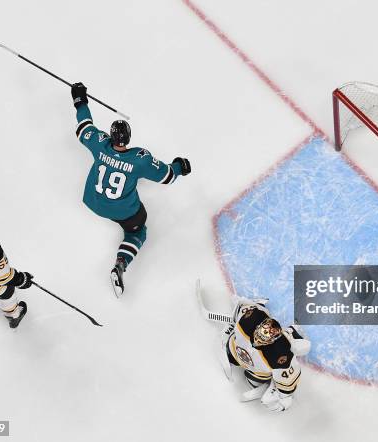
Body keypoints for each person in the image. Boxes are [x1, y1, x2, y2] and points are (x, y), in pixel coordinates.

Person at [70, 82, 191, 297]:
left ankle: (121, 261)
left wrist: (80, 99)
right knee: (138, 231)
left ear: (111, 135)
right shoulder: (139, 159)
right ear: (128, 137)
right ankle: (121, 263)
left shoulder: (100, 144)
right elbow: (167, 177)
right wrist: (180, 166)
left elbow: (83, 126)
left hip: (92, 200)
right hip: (123, 211)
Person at [221, 298, 309, 412]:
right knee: (231, 354)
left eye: (266, 336)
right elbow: (242, 306)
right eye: (262, 332)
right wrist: (232, 323)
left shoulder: (280, 353)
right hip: (234, 351)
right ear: (258, 326)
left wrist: (285, 396)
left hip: (257, 372)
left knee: (253, 383)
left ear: (273, 340)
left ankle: (292, 333)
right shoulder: (250, 319)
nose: (259, 338)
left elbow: (289, 376)